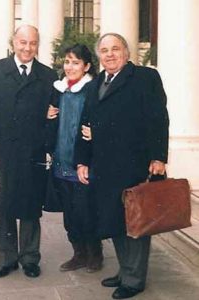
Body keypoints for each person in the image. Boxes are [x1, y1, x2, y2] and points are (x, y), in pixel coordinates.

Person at [75, 33, 169, 299]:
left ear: (126, 53)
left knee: (136, 222)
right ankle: (126, 269)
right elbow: (85, 125)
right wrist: (82, 160)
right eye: (104, 50)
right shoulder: (94, 86)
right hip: (105, 168)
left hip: (135, 165)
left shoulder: (145, 78)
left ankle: (134, 279)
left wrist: (159, 157)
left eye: (115, 49)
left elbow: (159, 119)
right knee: (116, 220)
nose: (110, 54)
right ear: (99, 56)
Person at [0, 25, 58, 279]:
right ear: (13, 42)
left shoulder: (47, 75)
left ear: (38, 45)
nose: (27, 48)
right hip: (3, 152)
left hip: (33, 152)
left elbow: (53, 117)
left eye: (32, 43)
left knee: (31, 207)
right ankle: (6, 258)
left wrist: (48, 142)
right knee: (5, 206)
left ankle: (30, 258)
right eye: (23, 42)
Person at [46, 44, 104, 273]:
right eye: (67, 61)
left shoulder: (93, 90)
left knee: (86, 211)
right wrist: (47, 115)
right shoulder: (59, 89)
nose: (70, 67)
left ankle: (95, 254)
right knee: (70, 213)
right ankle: (78, 253)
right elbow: (50, 119)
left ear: (87, 66)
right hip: (61, 159)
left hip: (82, 162)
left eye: (76, 62)